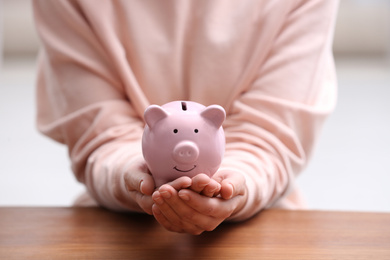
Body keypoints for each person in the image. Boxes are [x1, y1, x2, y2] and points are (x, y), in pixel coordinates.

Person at [33, 0, 338, 235]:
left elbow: (271, 136)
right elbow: (99, 133)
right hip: (119, 228)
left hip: (260, 224)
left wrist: (233, 186)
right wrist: (136, 177)